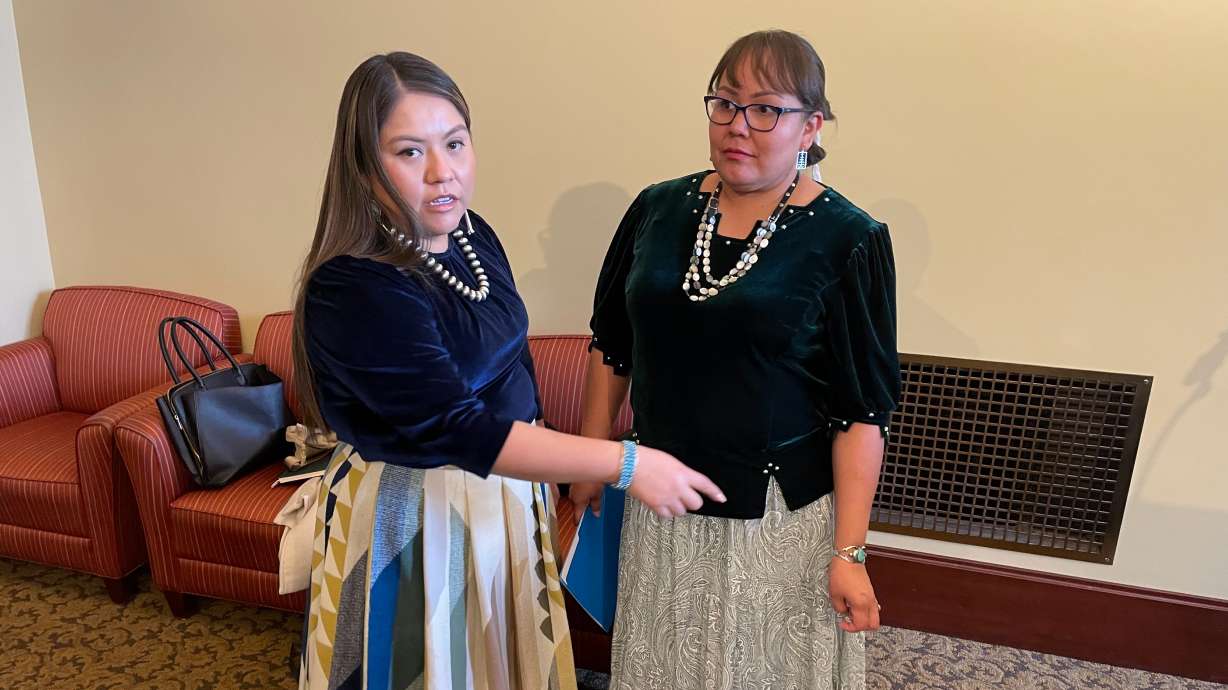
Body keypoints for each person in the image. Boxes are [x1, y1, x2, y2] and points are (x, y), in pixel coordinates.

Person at [290, 51, 724, 690]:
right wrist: (624, 463)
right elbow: (455, 427)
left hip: (503, 491)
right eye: (410, 152)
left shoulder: (471, 233)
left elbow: (511, 357)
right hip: (414, 516)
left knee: (498, 662)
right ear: (363, 165)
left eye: (455, 143)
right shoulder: (354, 283)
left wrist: (545, 454)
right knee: (428, 669)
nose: (443, 173)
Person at [573, 30, 901, 689]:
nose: (738, 125)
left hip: (775, 513)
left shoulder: (848, 238)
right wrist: (589, 464)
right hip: (660, 495)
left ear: (810, 126)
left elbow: (862, 411)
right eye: (725, 103)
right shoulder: (656, 208)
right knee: (663, 661)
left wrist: (851, 552)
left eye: (766, 109)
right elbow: (612, 347)